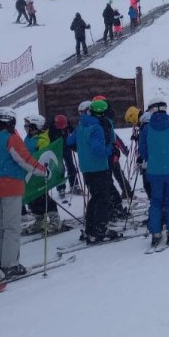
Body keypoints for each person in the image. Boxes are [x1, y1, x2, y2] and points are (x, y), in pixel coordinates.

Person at [0, 107, 49, 281]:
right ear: (10, 122)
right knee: (12, 227)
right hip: (10, 186)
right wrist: (44, 171)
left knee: (0, 227)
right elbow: (25, 160)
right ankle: (10, 265)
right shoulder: (12, 139)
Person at [138, 98, 169, 250]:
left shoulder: (146, 129)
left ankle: (156, 232)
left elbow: (143, 151)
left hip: (154, 171)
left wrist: (154, 159)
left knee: (156, 201)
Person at [75, 100, 116, 242]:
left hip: (86, 168)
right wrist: (110, 150)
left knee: (95, 198)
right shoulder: (96, 127)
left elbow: (70, 141)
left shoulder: (81, 125)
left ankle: (90, 229)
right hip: (98, 167)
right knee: (103, 199)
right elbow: (97, 149)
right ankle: (100, 230)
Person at [22, 114, 62, 234]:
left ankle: (55, 220)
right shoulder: (28, 138)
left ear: (35, 127)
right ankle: (39, 221)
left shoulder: (42, 140)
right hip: (29, 174)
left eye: (27, 126)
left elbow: (43, 156)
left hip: (39, 174)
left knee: (42, 198)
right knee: (33, 199)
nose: (25, 128)